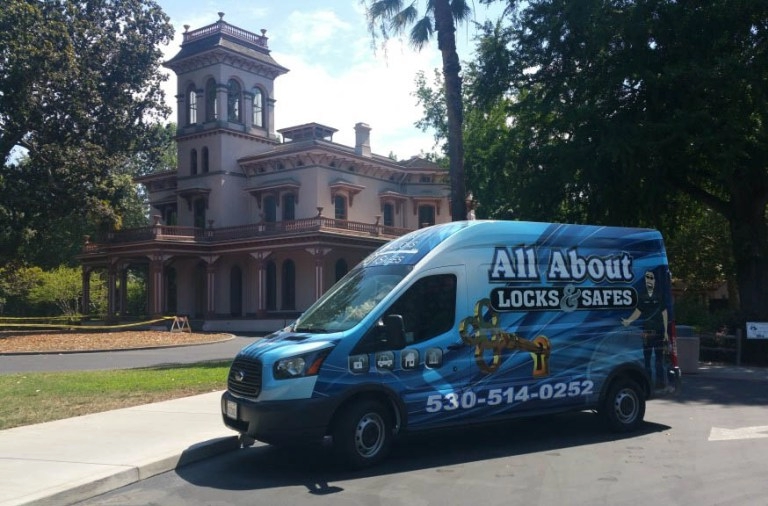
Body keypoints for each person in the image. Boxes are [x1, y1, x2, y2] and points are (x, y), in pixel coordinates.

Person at [621, 270, 669, 388]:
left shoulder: (659, 295)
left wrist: (667, 331)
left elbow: (664, 313)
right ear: (645, 281)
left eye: (651, 277)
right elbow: (638, 312)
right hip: (647, 332)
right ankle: (647, 383)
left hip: (659, 332)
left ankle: (660, 382)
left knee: (659, 359)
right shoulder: (642, 296)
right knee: (647, 359)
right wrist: (628, 321)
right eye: (647, 278)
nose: (649, 280)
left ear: (654, 280)